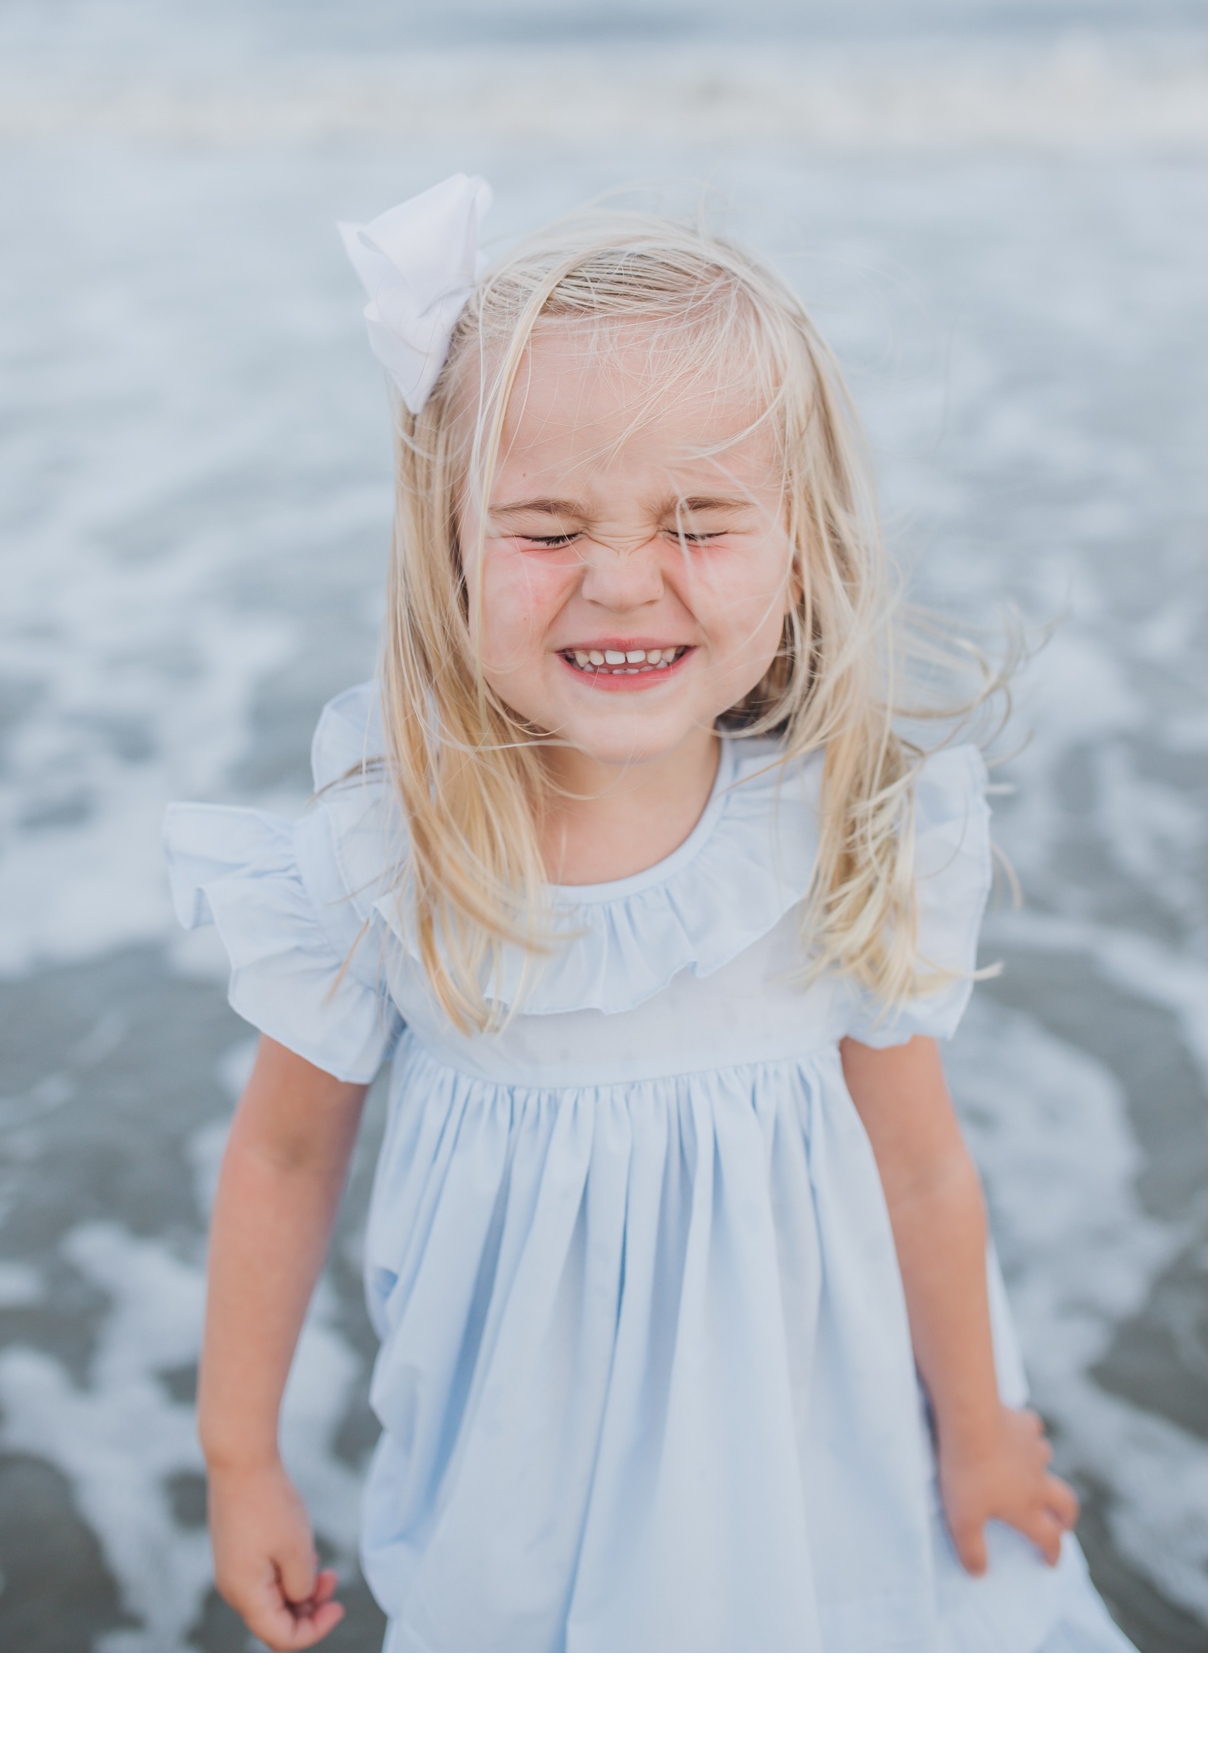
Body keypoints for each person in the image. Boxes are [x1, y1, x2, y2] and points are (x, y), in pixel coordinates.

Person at [164, 175, 1132, 1653]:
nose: (623, 580)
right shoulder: (390, 850)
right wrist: (241, 1461)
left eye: (701, 521)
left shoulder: (835, 828)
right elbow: (286, 1158)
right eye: (546, 528)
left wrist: (983, 1422)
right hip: (524, 1487)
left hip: (828, 1446)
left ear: (800, 546)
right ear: (447, 550)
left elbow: (925, 1173)